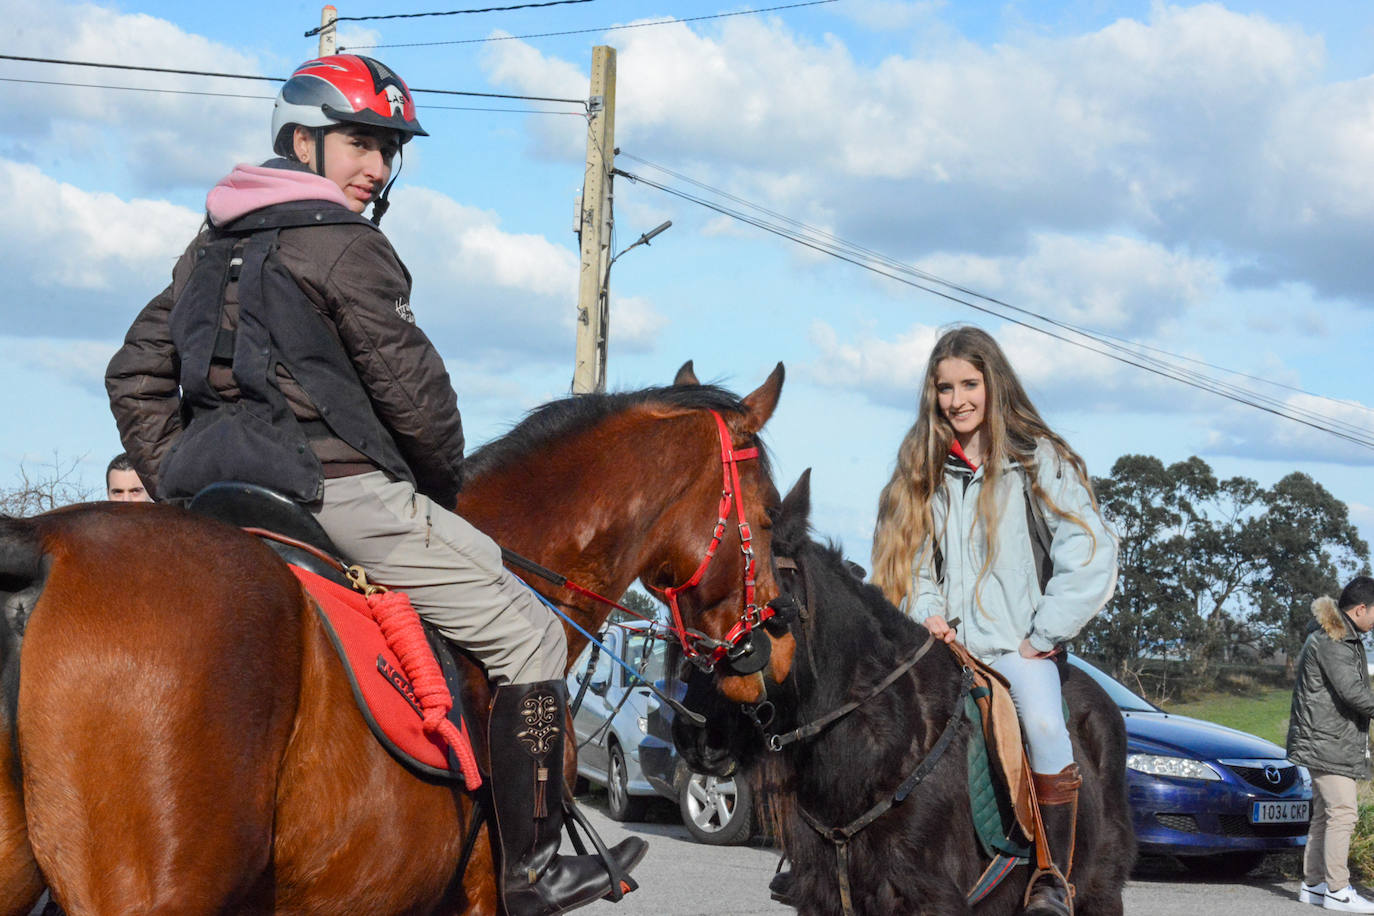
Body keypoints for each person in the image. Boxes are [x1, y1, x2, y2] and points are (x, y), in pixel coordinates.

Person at [104, 54, 644, 916]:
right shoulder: (351, 248)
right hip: (341, 498)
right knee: (534, 639)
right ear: (300, 140)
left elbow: (133, 373)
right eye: (361, 142)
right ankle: (533, 869)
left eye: (389, 147)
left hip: (211, 506)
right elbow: (421, 405)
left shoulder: (208, 245)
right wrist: (431, 487)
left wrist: (175, 474)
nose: (379, 167)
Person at [870, 325, 1117, 916]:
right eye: (944, 388)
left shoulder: (1037, 461)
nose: (957, 401)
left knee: (1044, 722)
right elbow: (912, 562)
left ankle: (1052, 877)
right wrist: (925, 612)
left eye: (968, 385)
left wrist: (1042, 636)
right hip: (944, 650)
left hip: (1016, 649)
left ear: (993, 383)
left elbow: (1088, 553)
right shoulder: (924, 471)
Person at [1287, 577, 1374, 913]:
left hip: (1326, 738)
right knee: (1344, 812)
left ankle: (1313, 885)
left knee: (1325, 814)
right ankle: (1338, 889)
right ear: (1361, 609)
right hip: (1327, 740)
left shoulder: (1340, 637)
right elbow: (1353, 693)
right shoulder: (1334, 641)